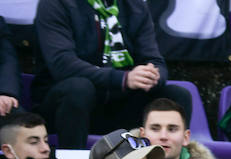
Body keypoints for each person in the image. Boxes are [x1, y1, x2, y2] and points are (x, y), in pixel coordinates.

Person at [32, 0, 192, 149]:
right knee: (78, 88)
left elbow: (155, 60)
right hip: (68, 108)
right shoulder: (56, 4)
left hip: (119, 105)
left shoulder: (134, 5)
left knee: (177, 95)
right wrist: (123, 78)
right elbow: (62, 64)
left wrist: (151, 75)